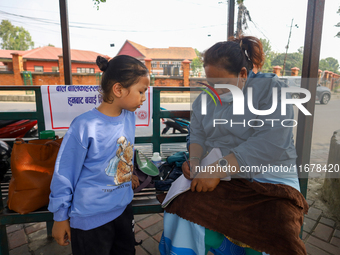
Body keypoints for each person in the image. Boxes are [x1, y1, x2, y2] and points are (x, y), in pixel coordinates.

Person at [159, 36, 308, 255]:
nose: (214, 91)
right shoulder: (206, 99)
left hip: (271, 180)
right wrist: (195, 161)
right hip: (223, 176)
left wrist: (219, 169)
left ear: (243, 74)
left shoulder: (270, 89)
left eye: (221, 85)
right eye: (211, 83)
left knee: (277, 230)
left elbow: (272, 141)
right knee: (182, 209)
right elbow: (197, 135)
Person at [48, 55, 150, 255]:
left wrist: (129, 174)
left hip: (122, 209)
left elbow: (123, 152)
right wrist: (60, 217)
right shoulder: (84, 125)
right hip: (90, 219)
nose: (144, 98)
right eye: (141, 91)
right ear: (118, 89)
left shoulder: (128, 117)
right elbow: (64, 172)